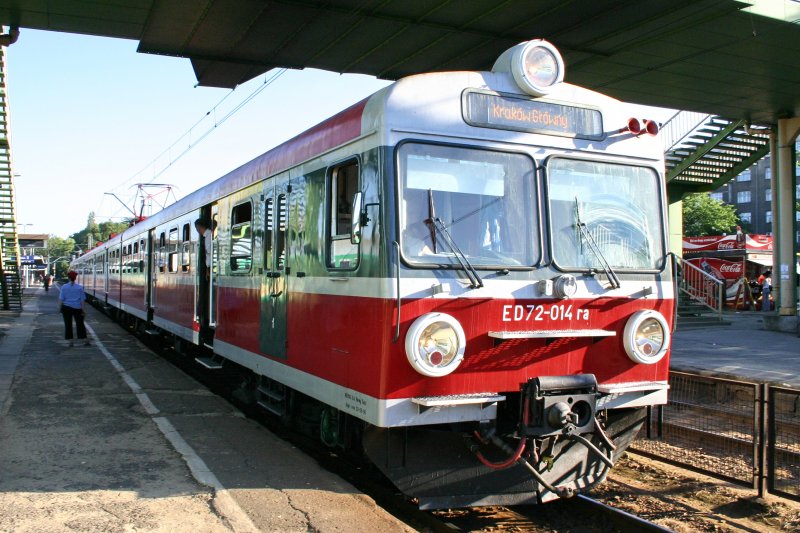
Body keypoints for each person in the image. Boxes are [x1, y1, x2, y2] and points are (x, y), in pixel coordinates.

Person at [59, 270, 89, 347]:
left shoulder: (64, 287)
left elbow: (61, 299)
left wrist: (59, 308)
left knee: (68, 324)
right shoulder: (79, 287)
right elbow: (82, 300)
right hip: (77, 308)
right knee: (80, 324)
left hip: (66, 307)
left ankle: (70, 341)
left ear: (68, 277)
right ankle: (85, 340)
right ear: (75, 278)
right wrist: (83, 310)